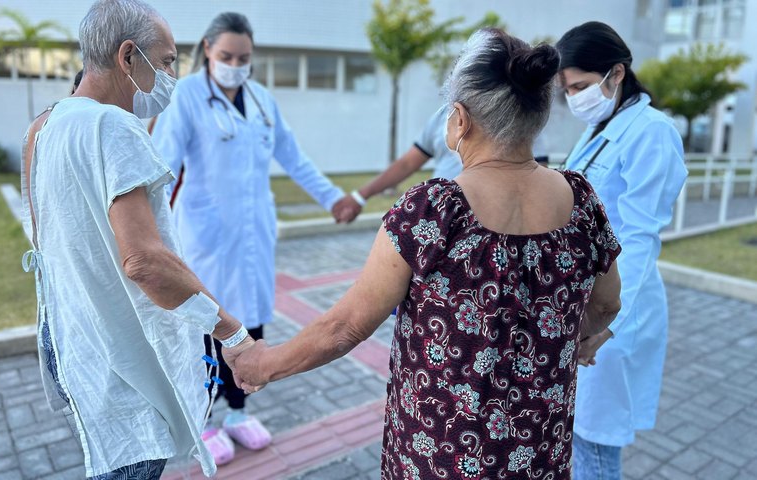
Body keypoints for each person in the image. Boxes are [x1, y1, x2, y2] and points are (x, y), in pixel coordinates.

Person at [233, 28, 623, 479]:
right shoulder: (581, 200)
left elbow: (344, 328)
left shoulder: (433, 211)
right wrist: (573, 340)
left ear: (459, 119)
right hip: (537, 452)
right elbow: (607, 303)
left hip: (440, 453)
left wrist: (263, 364)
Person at [20, 1, 255, 478]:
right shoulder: (113, 126)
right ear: (128, 57)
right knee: (129, 459)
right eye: (166, 61)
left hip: (67, 338)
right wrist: (231, 332)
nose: (171, 74)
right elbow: (144, 261)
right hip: (118, 355)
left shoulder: (42, 127)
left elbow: (51, 242)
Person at [150, 12, 349, 463]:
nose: (236, 65)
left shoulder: (261, 101)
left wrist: (334, 198)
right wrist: (148, 232)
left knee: (250, 324)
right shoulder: (186, 97)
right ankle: (203, 419)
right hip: (204, 235)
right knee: (207, 327)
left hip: (254, 234)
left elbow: (295, 159)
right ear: (206, 50)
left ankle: (238, 413)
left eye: (243, 57)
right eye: (226, 56)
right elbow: (162, 168)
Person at [556, 21, 688, 480]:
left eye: (581, 86)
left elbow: (639, 237)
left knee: (594, 444)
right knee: (577, 434)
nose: (574, 97)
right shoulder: (599, 126)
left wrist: (606, 322)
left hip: (616, 308)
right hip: (585, 300)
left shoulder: (652, 131)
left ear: (616, 73)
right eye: (567, 89)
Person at [334, 107, 550, 222]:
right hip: (438, 222)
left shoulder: (519, 119)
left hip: (493, 224)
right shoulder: (442, 115)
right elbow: (408, 162)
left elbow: (535, 178)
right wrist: (360, 196)